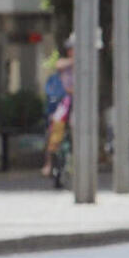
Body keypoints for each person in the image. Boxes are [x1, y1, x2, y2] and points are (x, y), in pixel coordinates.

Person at [41, 38, 76, 177]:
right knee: (55, 129)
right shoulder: (65, 64)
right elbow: (59, 64)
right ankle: (49, 163)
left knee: (77, 126)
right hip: (64, 102)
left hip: (78, 104)